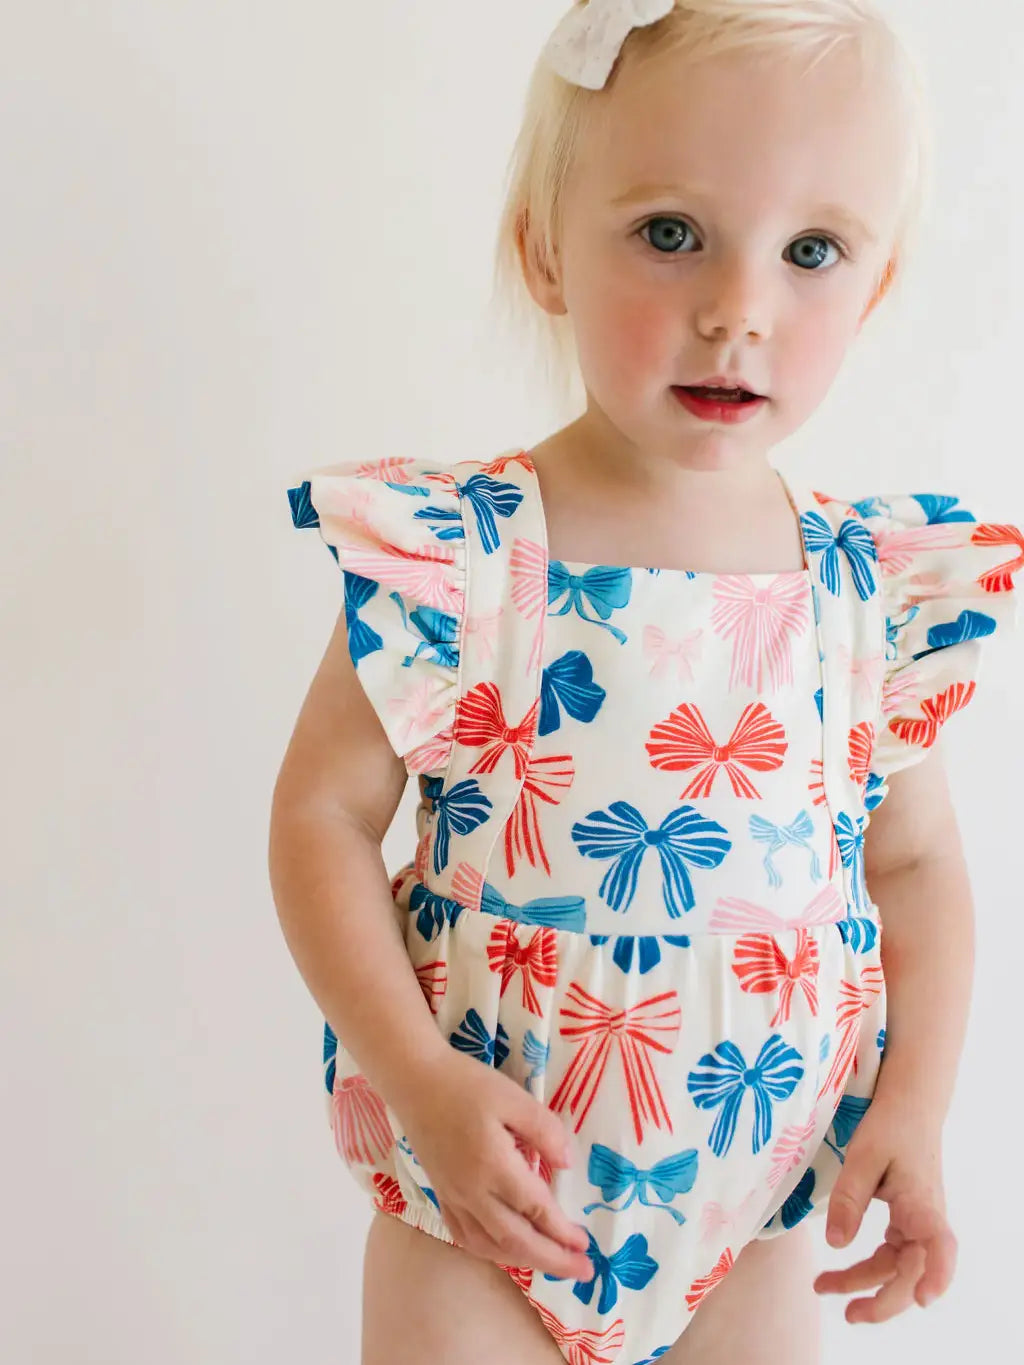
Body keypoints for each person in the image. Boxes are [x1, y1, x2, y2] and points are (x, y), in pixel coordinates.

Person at [269, 3, 1024, 1363]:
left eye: (811, 251)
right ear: (544, 248)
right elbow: (320, 817)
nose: (739, 309)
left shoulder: (863, 591)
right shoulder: (459, 557)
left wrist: (915, 1104)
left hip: (756, 1213)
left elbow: (917, 866)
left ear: (876, 287)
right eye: (672, 233)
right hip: (485, 1194)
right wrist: (419, 1079)